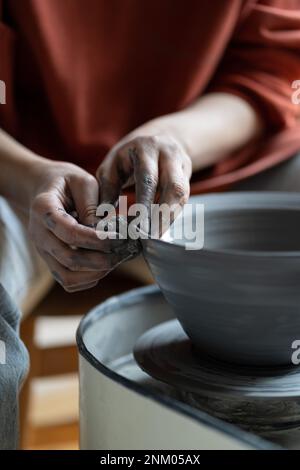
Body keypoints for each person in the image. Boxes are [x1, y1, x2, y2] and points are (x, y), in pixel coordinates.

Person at [0, 0, 300, 448]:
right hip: (27, 174)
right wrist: (30, 176)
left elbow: (269, 70)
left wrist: (175, 138)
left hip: (214, 157)